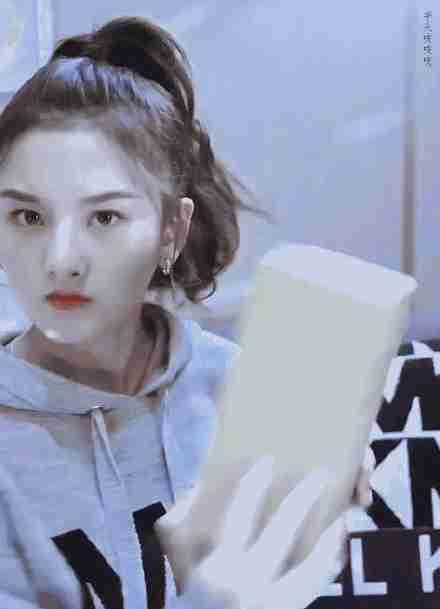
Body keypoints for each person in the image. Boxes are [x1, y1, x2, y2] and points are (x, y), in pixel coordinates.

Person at [0, 15, 374, 609]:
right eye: (29, 216)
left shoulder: (247, 394)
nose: (61, 260)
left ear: (171, 231)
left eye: (104, 217)